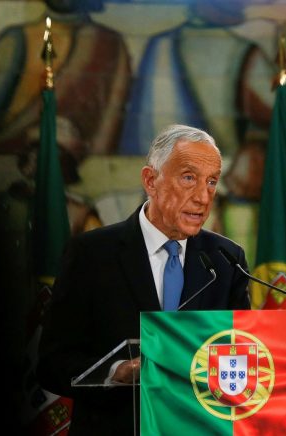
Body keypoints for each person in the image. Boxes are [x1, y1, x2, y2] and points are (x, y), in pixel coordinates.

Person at [36, 124, 251, 435]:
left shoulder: (226, 259)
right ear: (151, 181)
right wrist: (116, 371)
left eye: (212, 182)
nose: (203, 197)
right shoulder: (91, 254)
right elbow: (52, 362)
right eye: (189, 178)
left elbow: (242, 354)